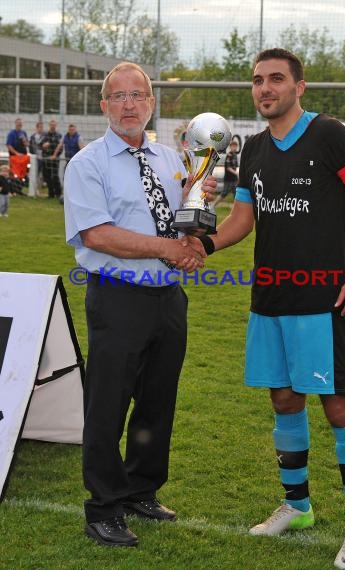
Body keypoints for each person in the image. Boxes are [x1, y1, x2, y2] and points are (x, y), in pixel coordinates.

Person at [199, 48, 345, 569]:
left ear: (299, 87)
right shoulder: (252, 149)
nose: (265, 88)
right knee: (283, 400)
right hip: (270, 297)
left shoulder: (331, 136)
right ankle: (297, 506)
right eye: (257, 81)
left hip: (324, 300)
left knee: (338, 406)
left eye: (276, 79)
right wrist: (205, 246)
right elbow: (241, 219)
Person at [63, 61, 216, 548]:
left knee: (157, 401)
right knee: (108, 405)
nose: (129, 104)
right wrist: (170, 248)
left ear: (151, 102)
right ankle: (103, 508)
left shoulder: (174, 159)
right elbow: (98, 234)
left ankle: (140, 489)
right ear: (104, 105)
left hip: (167, 299)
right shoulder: (87, 163)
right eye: (118, 96)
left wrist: (195, 228)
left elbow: (181, 224)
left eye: (138, 95)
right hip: (118, 298)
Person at [213, 139, 239, 207]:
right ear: (230, 147)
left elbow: (235, 167)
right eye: (233, 146)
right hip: (228, 178)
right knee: (224, 194)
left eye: (235, 146)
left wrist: (237, 175)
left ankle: (235, 208)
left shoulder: (235, 155)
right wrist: (236, 173)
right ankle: (213, 205)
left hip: (234, 179)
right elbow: (228, 167)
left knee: (236, 194)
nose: (234, 148)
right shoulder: (229, 155)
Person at [42, 119, 63, 199]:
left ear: (56, 125)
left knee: (55, 176)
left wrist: (56, 155)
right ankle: (50, 194)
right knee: (47, 177)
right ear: (49, 125)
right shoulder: (45, 135)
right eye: (51, 125)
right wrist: (43, 145)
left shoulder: (59, 135)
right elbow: (40, 145)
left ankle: (58, 193)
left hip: (54, 159)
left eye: (54, 125)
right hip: (46, 158)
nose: (53, 126)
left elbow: (61, 147)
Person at [29, 121, 46, 192]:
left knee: (42, 175)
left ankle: (39, 188)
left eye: (42, 127)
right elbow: (30, 147)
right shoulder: (33, 137)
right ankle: (34, 189)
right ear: (37, 128)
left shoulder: (45, 136)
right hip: (35, 158)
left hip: (43, 158)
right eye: (39, 127)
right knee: (35, 174)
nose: (41, 129)